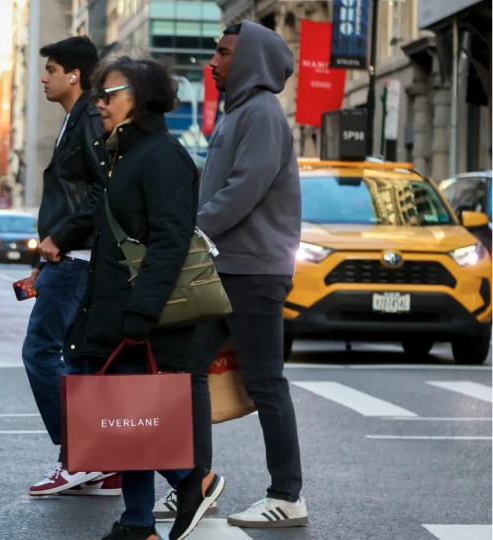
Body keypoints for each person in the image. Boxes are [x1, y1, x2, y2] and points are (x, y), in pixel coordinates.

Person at [67, 56, 223, 540]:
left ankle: (193, 480)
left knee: (136, 419)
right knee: (128, 418)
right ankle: (137, 523)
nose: (99, 103)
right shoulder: (122, 154)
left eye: (108, 94)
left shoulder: (162, 156)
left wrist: (142, 312)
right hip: (118, 310)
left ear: (139, 96)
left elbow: (171, 241)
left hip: (146, 316)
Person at [187, 22, 307, 529]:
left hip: (255, 271)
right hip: (226, 267)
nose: (212, 62)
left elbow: (243, 189)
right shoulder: (235, 112)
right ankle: (195, 485)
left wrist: (190, 231)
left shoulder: (260, 113)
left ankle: (288, 495)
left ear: (250, 58)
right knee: (186, 370)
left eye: (223, 53)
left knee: (264, 382)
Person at [22, 36, 116, 497]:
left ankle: (85, 453)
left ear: (74, 75)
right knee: (78, 361)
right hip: (69, 257)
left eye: (52, 69)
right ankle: (102, 462)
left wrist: (61, 237)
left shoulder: (89, 120)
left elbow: (104, 190)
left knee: (40, 353)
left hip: (78, 258)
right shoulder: (73, 120)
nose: (44, 77)